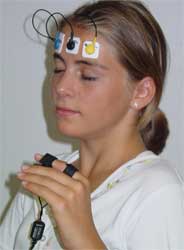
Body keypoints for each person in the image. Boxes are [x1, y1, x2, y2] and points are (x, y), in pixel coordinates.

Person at [1, 0, 184, 249]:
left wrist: (83, 238)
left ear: (141, 92)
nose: (61, 87)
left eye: (87, 76)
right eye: (57, 68)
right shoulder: (46, 178)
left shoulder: (158, 192)